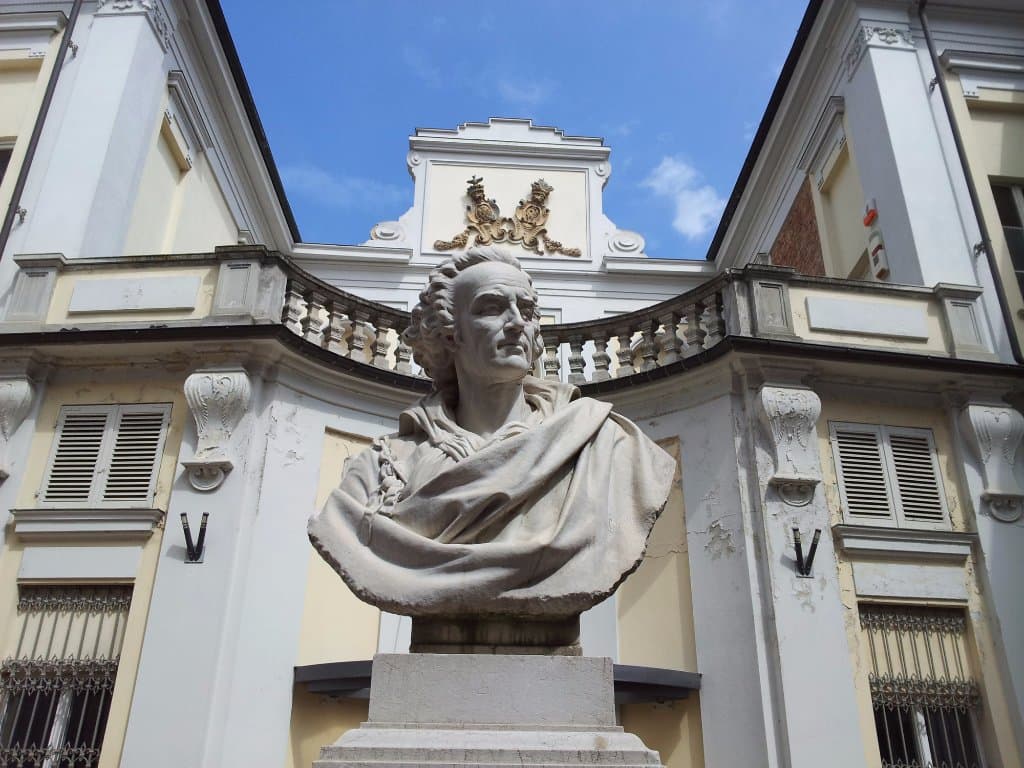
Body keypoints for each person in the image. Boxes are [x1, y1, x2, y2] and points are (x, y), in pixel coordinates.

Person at [308, 247, 675, 621]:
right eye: (491, 308)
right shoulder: (381, 470)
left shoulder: (603, 443)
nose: (517, 323)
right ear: (450, 335)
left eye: (528, 311)